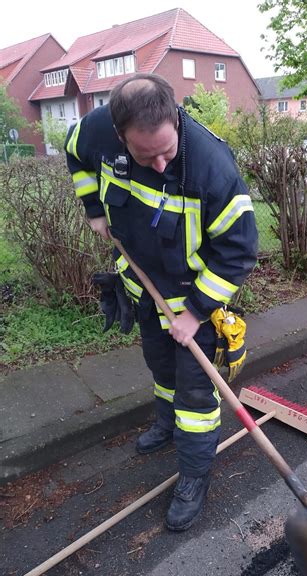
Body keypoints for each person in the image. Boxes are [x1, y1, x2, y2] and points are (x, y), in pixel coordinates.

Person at [65, 73, 258, 530]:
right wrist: (94, 208)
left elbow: (238, 252)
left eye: (166, 151)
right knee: (161, 368)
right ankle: (166, 424)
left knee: (196, 394)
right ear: (118, 136)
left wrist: (194, 313)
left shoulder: (212, 167)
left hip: (195, 301)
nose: (157, 163)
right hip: (143, 289)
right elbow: (74, 152)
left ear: (175, 118)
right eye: (143, 154)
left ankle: (194, 477)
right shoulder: (97, 131)